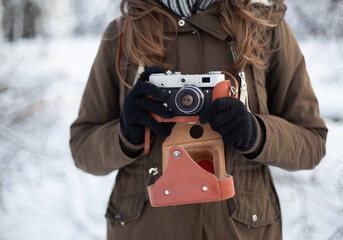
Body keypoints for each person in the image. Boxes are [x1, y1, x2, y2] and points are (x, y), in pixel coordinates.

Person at [70, 0, 328, 239]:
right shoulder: (123, 34)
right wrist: (125, 136)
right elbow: (83, 149)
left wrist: (256, 134)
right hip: (145, 228)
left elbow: (312, 144)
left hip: (241, 229)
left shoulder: (264, 27)